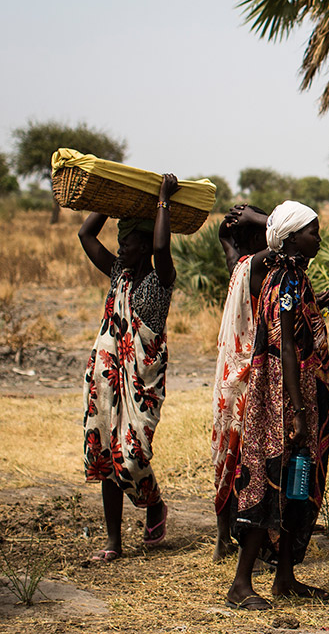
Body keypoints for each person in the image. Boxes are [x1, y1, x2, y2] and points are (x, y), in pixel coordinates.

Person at [228, 201, 329, 609]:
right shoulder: (286, 279)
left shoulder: (289, 276)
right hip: (283, 398)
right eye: (313, 231)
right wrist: (299, 411)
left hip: (293, 393)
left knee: (295, 484)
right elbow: (286, 346)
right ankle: (240, 584)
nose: (319, 238)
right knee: (271, 481)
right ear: (290, 238)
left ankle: (285, 577)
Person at [80, 175, 180, 564]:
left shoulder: (160, 282)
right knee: (106, 454)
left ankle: (154, 504)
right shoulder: (118, 274)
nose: (123, 246)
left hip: (141, 385)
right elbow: (86, 235)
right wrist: (109, 196)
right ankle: (113, 541)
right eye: (122, 240)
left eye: (131, 241)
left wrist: (162, 200)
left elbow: (160, 246)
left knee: (133, 457)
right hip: (106, 381)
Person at [211, 204, 270, 562]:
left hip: (227, 379)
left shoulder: (237, 265)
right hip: (250, 376)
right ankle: (253, 535)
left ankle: (223, 536)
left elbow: (224, 238)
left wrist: (230, 225)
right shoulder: (258, 266)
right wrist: (257, 219)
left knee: (226, 456)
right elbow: (284, 236)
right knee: (250, 456)